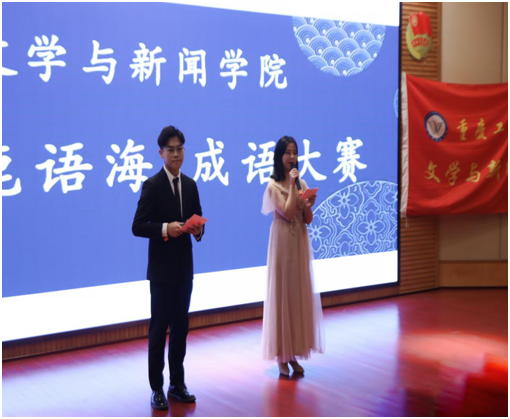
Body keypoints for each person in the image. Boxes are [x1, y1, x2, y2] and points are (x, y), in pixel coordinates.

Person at [132, 125, 204, 408]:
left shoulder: (191, 184)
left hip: (184, 268)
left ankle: (177, 384)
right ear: (160, 153)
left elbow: (198, 219)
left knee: (181, 328)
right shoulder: (152, 185)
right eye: (171, 150)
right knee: (159, 328)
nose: (176, 155)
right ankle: (157, 388)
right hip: (162, 271)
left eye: (180, 149)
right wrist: (165, 228)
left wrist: (197, 230)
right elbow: (138, 226)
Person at [261, 135, 325, 376]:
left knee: (297, 296)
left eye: (295, 152)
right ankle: (281, 356)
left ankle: (294, 353)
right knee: (283, 296)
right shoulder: (273, 186)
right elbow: (287, 213)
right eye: (287, 153)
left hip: (299, 241)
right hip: (282, 243)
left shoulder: (301, 182)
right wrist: (292, 186)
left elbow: (307, 219)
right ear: (279, 156)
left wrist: (308, 204)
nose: (292, 157)